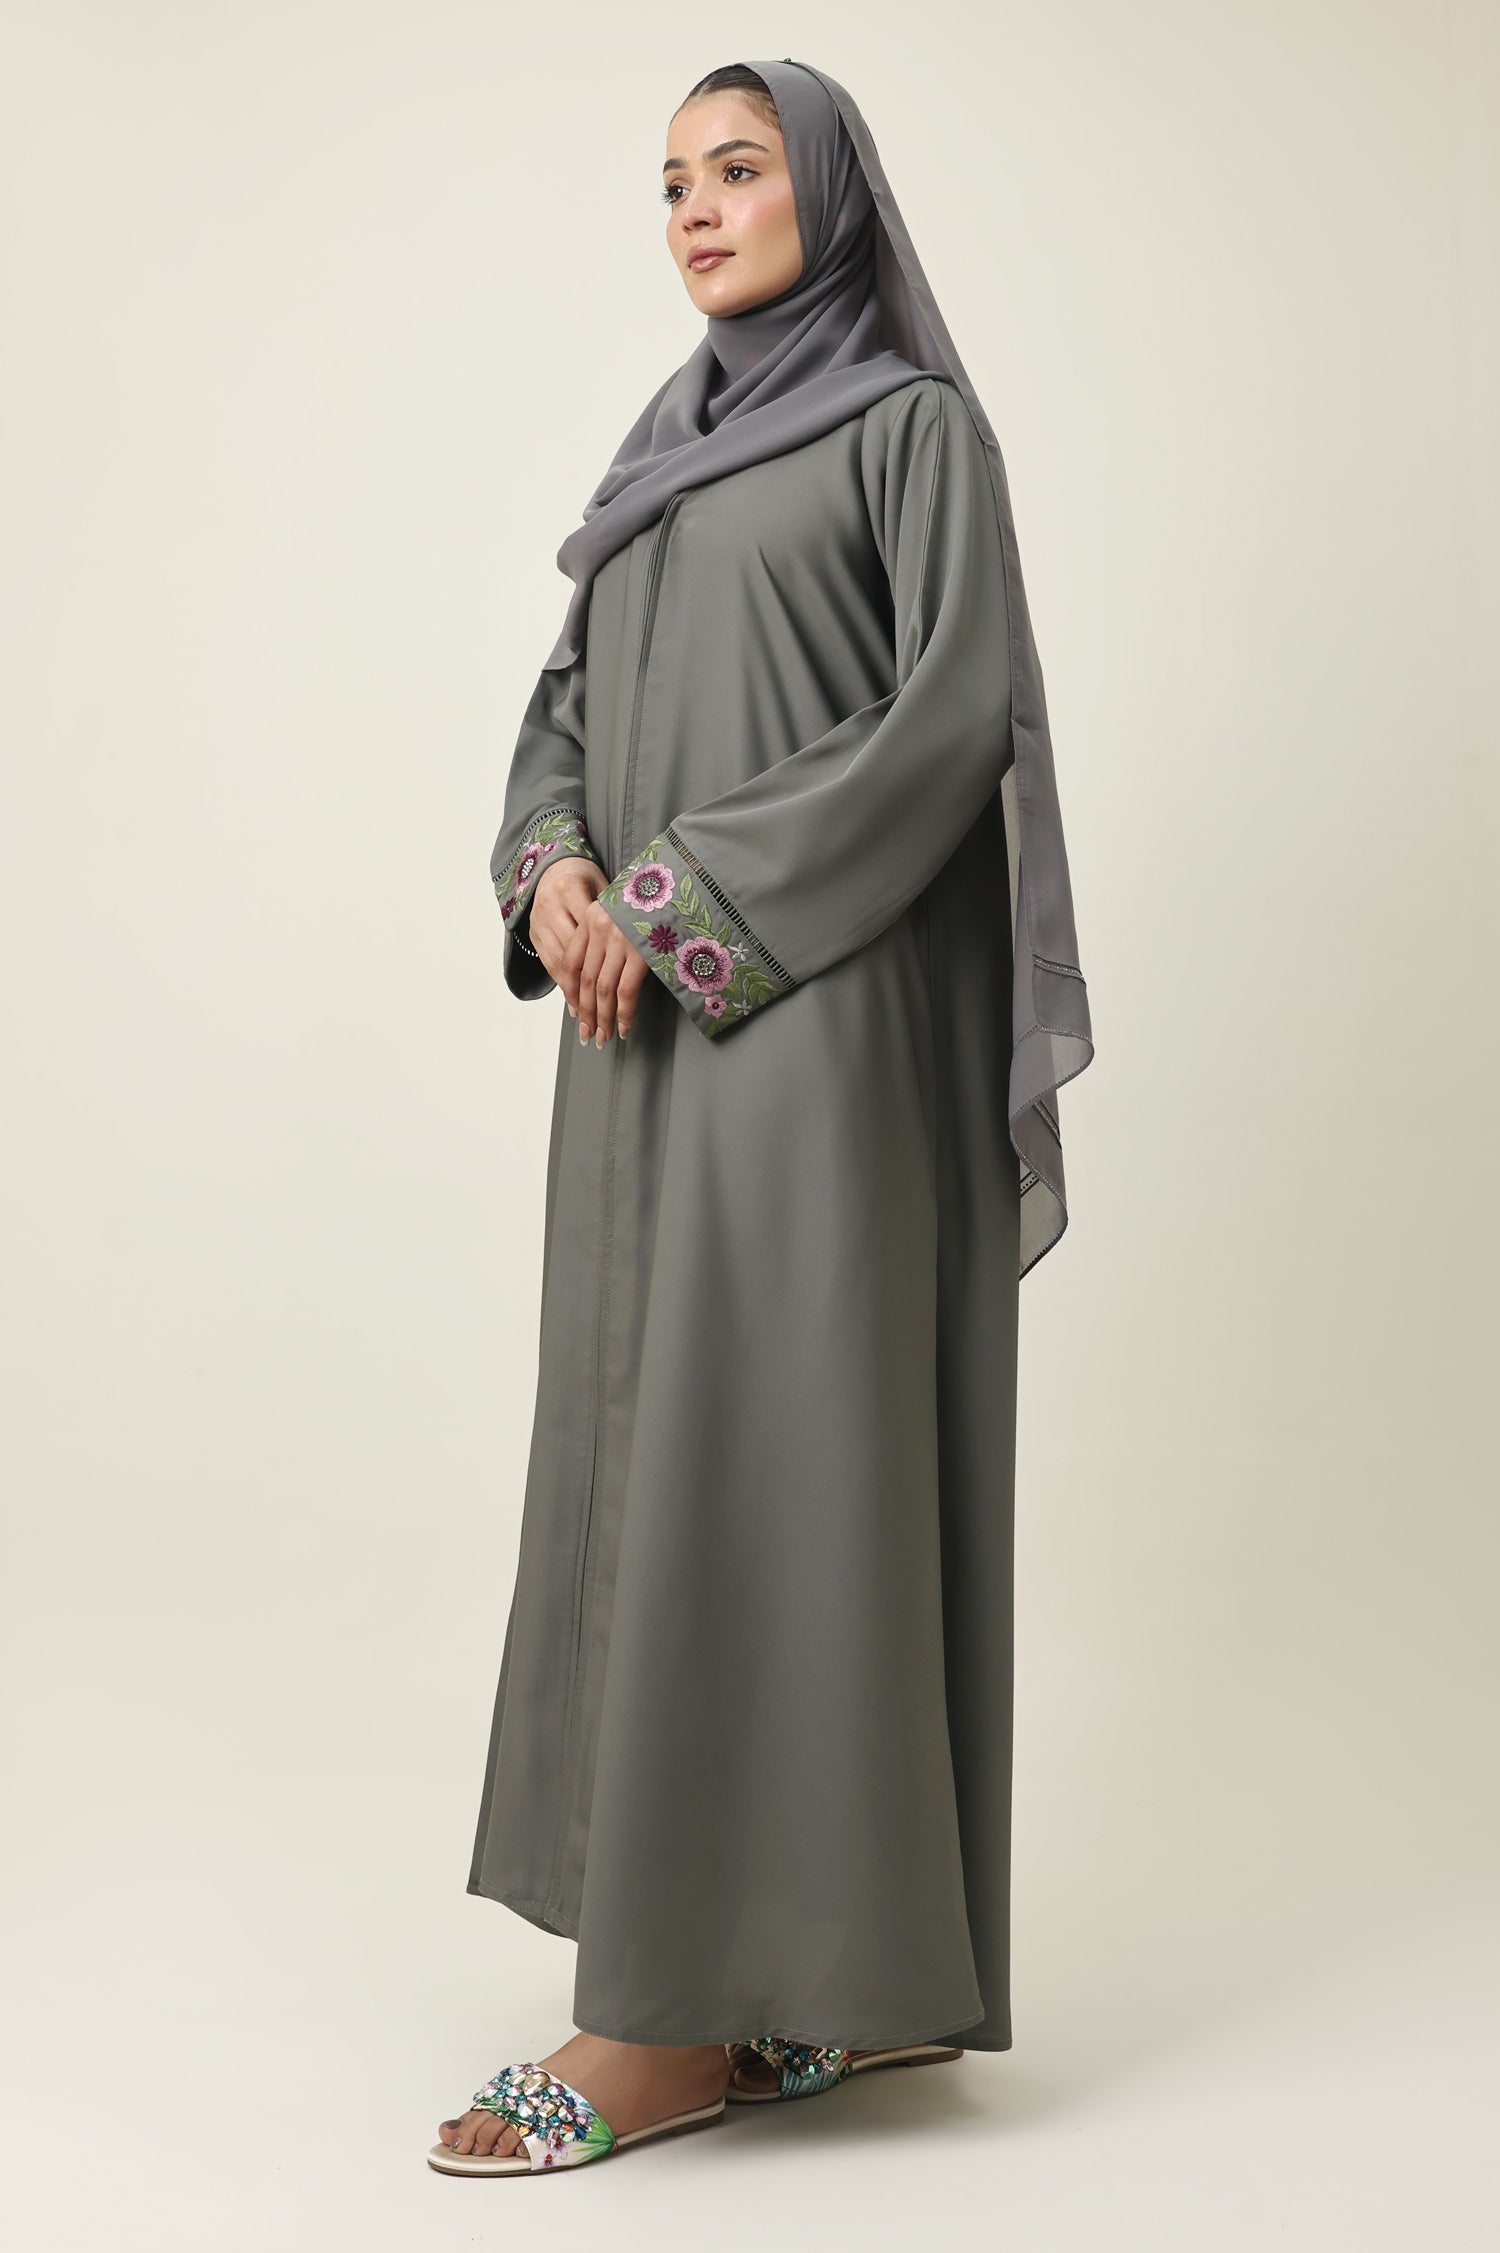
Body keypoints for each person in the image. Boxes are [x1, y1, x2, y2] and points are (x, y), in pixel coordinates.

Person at [430, 54, 1094, 2178]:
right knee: (653, 1464)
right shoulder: (665, 451)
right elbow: (563, 707)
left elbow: (946, 722)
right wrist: (552, 866)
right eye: (671, 184)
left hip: (815, 1035)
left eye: (737, 169)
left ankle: (665, 2018)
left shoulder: (912, 429)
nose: (697, 210)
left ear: (828, 188)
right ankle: (816, 1977)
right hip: (637, 1045)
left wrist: (683, 896)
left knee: (784, 1470)